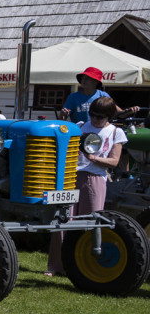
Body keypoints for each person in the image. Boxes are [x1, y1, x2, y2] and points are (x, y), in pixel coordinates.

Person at [45, 96, 128, 275]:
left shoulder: (116, 132)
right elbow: (61, 137)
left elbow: (114, 162)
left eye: (100, 117)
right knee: (62, 220)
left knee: (90, 222)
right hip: (71, 176)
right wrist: (63, 119)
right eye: (92, 115)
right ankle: (55, 266)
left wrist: (94, 158)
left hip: (95, 179)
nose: (95, 119)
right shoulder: (81, 126)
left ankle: (82, 267)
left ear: (109, 117)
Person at [58, 67, 139, 123]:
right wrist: (63, 115)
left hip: (99, 134)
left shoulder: (102, 95)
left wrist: (130, 111)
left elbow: (120, 114)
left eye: (87, 78)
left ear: (95, 82)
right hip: (80, 133)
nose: (83, 80)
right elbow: (62, 120)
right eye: (83, 78)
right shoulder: (73, 97)